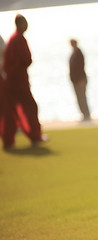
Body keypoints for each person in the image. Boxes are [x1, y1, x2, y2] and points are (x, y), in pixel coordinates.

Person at [2, 14, 47, 149]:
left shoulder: (13, 39)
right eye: (24, 23)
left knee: (12, 110)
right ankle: (34, 135)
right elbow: (24, 60)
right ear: (20, 24)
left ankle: (10, 140)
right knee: (29, 107)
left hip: (12, 80)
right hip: (17, 81)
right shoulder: (18, 40)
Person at [69, 39, 91, 122]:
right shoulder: (74, 53)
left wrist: (82, 80)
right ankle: (84, 114)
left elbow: (81, 66)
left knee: (82, 97)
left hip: (80, 79)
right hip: (75, 80)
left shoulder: (78, 53)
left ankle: (86, 115)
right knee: (79, 98)